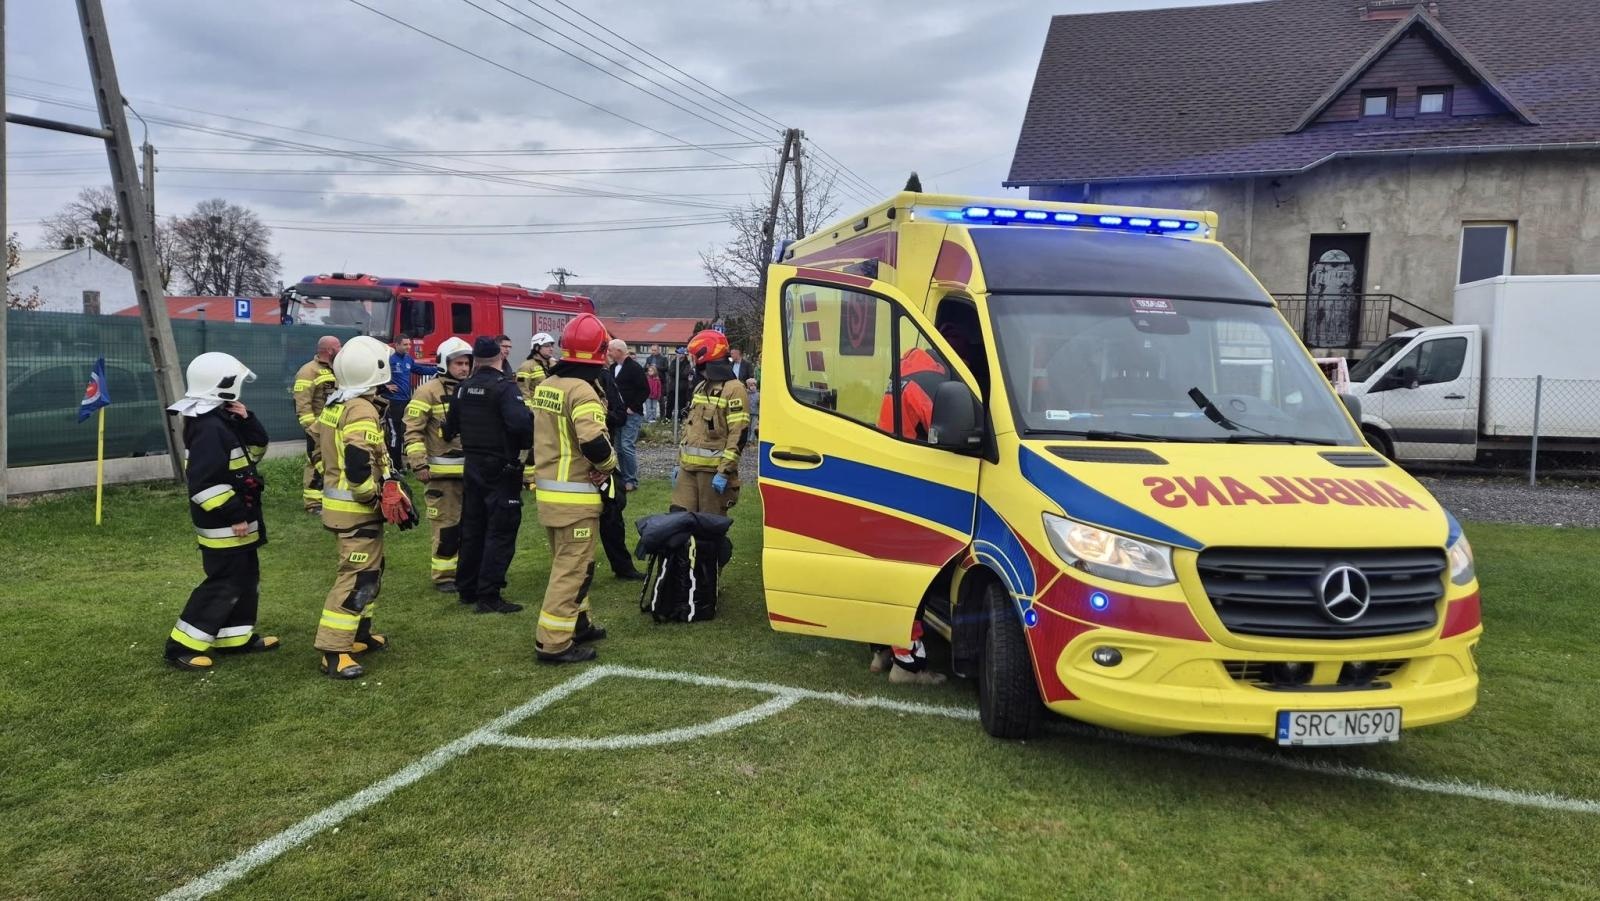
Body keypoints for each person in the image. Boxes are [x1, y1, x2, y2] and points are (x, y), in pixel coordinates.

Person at [164, 352, 280, 671]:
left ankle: (234, 639)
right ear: (223, 385)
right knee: (224, 582)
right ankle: (182, 647)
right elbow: (203, 484)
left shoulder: (222, 421)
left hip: (238, 522)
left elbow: (254, 451)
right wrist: (235, 516)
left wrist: (248, 419)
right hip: (226, 526)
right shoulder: (208, 429)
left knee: (245, 579)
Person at [315, 335, 414, 680]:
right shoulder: (360, 409)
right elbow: (358, 464)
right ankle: (333, 650)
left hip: (344, 511)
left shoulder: (336, 403)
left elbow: (321, 449)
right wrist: (374, 497)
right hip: (356, 512)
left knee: (371, 572)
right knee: (356, 575)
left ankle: (358, 634)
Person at [530, 313, 618, 664]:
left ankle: (577, 624)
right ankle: (553, 643)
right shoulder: (582, 390)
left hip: (552, 494)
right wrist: (609, 467)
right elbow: (593, 441)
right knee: (571, 571)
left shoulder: (549, 384)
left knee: (576, 565)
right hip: (575, 496)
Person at [867, 344, 954, 685]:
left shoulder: (899, 375)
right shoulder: (929, 381)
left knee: (886, 575)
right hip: (916, 487)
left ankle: (881, 651)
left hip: (887, 482)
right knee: (912, 581)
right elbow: (944, 429)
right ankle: (909, 667)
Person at [445, 336, 534, 614]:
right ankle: (489, 594)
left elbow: (450, 427)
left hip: (472, 465)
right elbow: (521, 425)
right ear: (499, 358)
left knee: (472, 527)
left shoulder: (463, 388)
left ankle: (467, 587)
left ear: (475, 360)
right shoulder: (504, 388)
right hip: (500, 466)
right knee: (501, 529)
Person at [404, 337, 472, 594]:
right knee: (446, 527)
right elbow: (413, 431)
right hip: (441, 476)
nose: (464, 368)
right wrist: (419, 464)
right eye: (458, 363)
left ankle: (463, 571)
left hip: (469, 474)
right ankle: (444, 575)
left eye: (466, 363)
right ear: (445, 363)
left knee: (468, 526)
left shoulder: (469, 389)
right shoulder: (428, 391)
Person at [672, 329, 749, 517]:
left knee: (709, 527)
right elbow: (690, 427)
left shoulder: (734, 389)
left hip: (712, 472)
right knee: (677, 518)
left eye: (693, 357)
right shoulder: (701, 386)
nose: (691, 361)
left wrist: (724, 472)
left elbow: (738, 435)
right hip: (687, 470)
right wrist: (678, 462)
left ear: (704, 356)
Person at [596, 360, 646, 581]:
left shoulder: (603, 378)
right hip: (586, 464)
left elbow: (619, 414)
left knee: (613, 508)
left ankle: (623, 567)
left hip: (594, 462)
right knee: (608, 514)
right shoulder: (560, 381)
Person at [291, 335, 340, 513]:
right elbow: (302, 403)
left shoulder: (336, 368)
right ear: (329, 350)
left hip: (334, 426)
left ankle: (328, 497)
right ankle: (313, 503)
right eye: (338, 346)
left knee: (332, 462)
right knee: (315, 462)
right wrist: (312, 428)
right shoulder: (308, 371)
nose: (341, 349)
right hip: (317, 428)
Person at [382, 333, 439, 471]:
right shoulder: (389, 359)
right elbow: (377, 373)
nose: (408, 347)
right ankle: (395, 466)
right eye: (405, 344)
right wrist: (384, 386)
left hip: (406, 401)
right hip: (393, 402)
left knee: (406, 431)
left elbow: (420, 370)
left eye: (409, 344)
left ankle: (405, 462)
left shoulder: (408, 359)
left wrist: (440, 369)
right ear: (397, 345)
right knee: (395, 434)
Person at [608, 338, 648, 492]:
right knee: (619, 447)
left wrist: (633, 407)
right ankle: (624, 478)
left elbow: (644, 390)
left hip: (631, 414)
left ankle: (631, 480)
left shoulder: (634, 368)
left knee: (626, 445)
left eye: (610, 350)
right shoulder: (612, 368)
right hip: (618, 414)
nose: (609, 353)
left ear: (618, 351)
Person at [516, 331, 557, 402]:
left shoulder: (554, 364)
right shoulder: (526, 367)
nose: (551, 349)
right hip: (535, 410)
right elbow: (523, 391)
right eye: (547, 346)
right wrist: (530, 411)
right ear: (537, 348)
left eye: (552, 346)